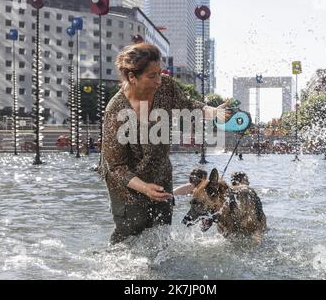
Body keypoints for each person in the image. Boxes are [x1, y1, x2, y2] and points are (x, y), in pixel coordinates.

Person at [98, 43, 230, 244]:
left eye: (160, 73)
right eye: (152, 76)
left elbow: (186, 104)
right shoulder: (115, 111)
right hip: (126, 185)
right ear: (132, 77)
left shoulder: (165, 86)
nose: (159, 80)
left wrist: (212, 112)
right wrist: (144, 187)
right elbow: (116, 167)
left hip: (159, 172)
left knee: (162, 232)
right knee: (129, 235)